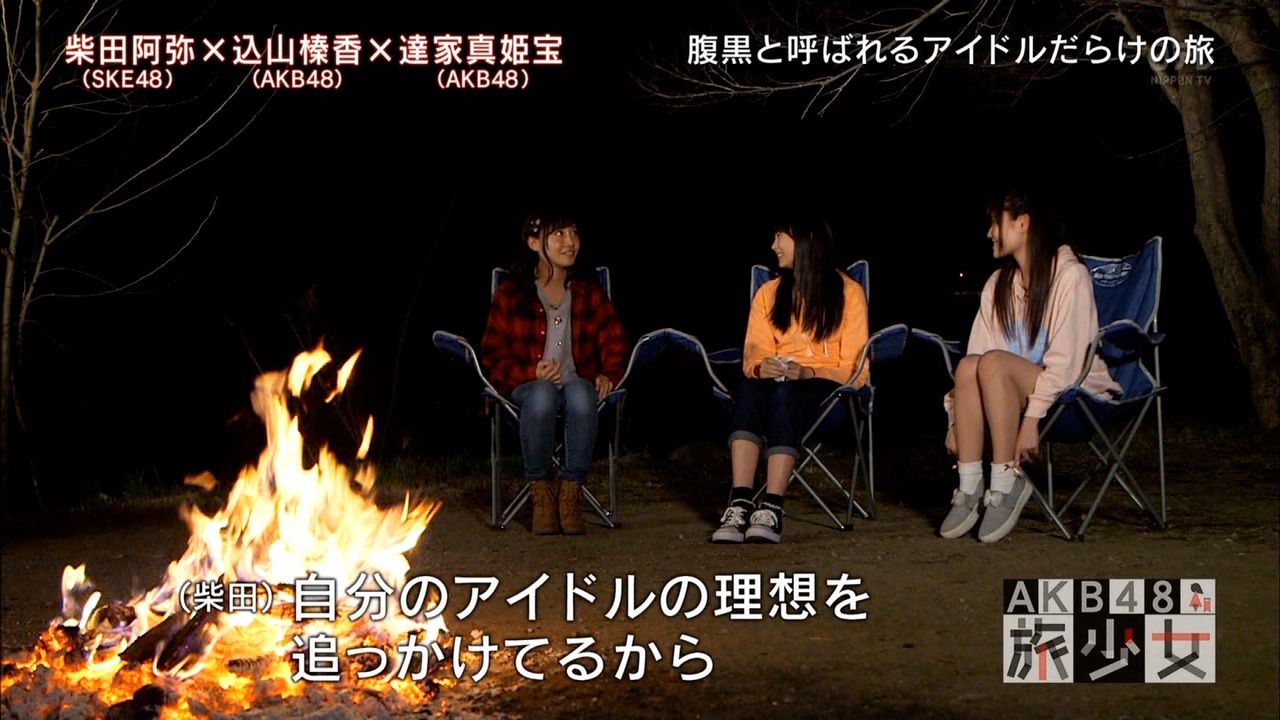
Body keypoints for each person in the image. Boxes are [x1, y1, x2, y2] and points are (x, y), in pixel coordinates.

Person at [940, 186, 1121, 543]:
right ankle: (970, 485)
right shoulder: (998, 284)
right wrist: (956, 420)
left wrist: (1031, 419)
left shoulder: (1070, 276)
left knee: (993, 364)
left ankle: (1006, 481)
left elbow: (1067, 367)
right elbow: (975, 363)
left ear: (1022, 223)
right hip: (1007, 392)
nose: (989, 233)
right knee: (969, 366)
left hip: (1070, 395)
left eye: (996, 223)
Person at [711, 217, 869, 544]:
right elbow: (753, 355)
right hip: (776, 388)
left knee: (787, 394)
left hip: (830, 399)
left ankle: (772, 507)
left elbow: (856, 371)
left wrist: (811, 372)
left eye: (779, 237)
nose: (773, 246)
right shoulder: (768, 294)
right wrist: (762, 367)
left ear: (805, 240)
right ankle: (740, 503)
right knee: (751, 387)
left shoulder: (849, 293)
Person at [480, 209, 628, 535]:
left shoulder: (588, 292)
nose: (570, 242)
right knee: (542, 393)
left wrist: (608, 374)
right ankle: (542, 494)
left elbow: (615, 342)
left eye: (574, 233)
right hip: (526, 391)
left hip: (578, 388)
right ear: (534, 242)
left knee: (582, 390)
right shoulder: (512, 294)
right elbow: (492, 356)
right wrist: (531, 370)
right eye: (559, 234)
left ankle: (570, 492)